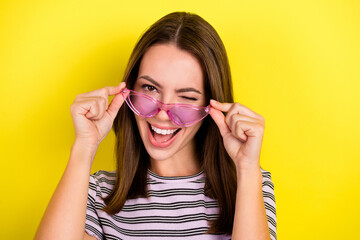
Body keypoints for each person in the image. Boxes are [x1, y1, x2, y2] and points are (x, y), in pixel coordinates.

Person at [35, 12, 277, 240]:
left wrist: (247, 168)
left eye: (187, 97)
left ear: (211, 106)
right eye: (150, 88)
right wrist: (84, 146)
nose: (163, 113)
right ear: (129, 90)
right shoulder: (97, 191)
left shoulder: (250, 183)